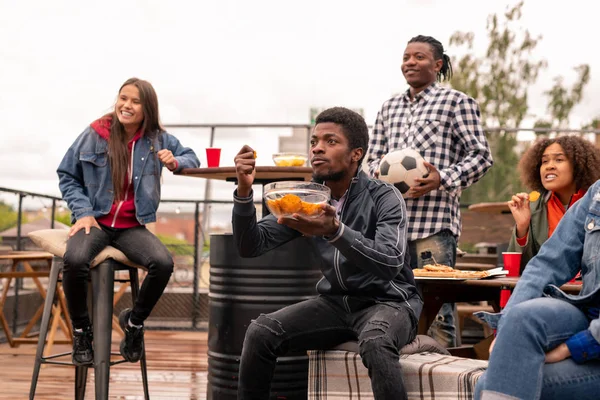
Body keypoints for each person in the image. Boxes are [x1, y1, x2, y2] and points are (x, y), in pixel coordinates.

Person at [232, 107, 423, 400]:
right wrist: (245, 192)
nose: (317, 148)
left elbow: (390, 261)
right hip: (335, 303)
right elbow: (251, 245)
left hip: (390, 302)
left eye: (330, 141)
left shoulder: (384, 197)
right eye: (314, 141)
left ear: (356, 153)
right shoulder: (307, 199)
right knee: (261, 332)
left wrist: (336, 231)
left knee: (375, 341)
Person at [57, 77, 200, 366]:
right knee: (75, 259)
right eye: (123, 98)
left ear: (147, 108)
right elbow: (67, 174)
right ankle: (82, 331)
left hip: (131, 226)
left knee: (163, 263)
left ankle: (134, 324)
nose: (127, 105)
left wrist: (175, 162)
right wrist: (83, 211)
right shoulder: (95, 133)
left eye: (135, 101)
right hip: (95, 221)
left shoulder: (157, 139)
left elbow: (192, 158)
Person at [366, 35, 493, 347]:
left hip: (434, 226)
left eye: (419, 57)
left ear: (437, 64)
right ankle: (403, 371)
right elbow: (371, 157)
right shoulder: (389, 107)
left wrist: (442, 178)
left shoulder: (458, 103)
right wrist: (378, 175)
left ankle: (443, 378)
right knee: (391, 302)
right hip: (390, 226)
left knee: (437, 310)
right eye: (407, 56)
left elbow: (481, 156)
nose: (410, 62)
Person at [474, 178, 600, 400]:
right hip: (588, 313)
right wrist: (507, 328)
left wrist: (573, 347)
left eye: (559, 159)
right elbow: (547, 262)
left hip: (594, 338)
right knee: (522, 316)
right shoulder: (596, 194)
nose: (549, 167)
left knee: (488, 383)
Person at [507, 135, 600, 273]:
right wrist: (522, 229)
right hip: (547, 291)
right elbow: (518, 270)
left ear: (579, 165)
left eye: (559, 159)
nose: (549, 166)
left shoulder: (595, 203)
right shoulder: (533, 207)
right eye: (544, 161)